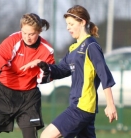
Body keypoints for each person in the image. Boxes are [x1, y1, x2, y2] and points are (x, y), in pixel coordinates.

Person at [20, 5, 118, 138]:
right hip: (79, 106)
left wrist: (110, 104)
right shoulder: (73, 48)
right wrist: (41, 64)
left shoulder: (91, 46)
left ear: (83, 22)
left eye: (71, 24)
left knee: (47, 136)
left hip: (82, 106)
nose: (68, 28)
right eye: (67, 24)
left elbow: (104, 75)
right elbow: (61, 70)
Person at [0, 13, 55, 138]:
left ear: (39, 32)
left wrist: (44, 68)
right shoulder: (14, 40)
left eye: (31, 34)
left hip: (28, 97)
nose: (27, 37)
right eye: (24, 33)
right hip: (2, 94)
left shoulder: (46, 50)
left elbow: (45, 79)